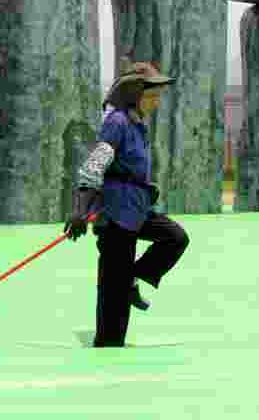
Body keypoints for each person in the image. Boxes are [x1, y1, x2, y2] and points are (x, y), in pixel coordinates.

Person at [64, 60, 190, 348]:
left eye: (158, 96)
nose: (157, 102)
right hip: (116, 216)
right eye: (152, 95)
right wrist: (80, 211)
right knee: (113, 313)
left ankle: (132, 277)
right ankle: (107, 352)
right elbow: (95, 165)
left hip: (136, 209)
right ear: (135, 93)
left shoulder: (137, 124)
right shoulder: (117, 122)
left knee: (175, 237)